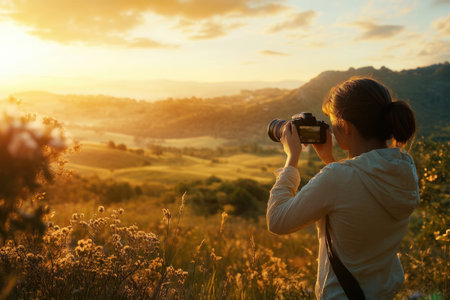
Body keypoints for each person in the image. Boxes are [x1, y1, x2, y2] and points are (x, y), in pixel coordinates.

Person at [266, 77, 420, 299]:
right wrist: (329, 158)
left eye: (332, 122)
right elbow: (358, 191)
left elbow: (278, 220)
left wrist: (291, 159)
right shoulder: (405, 169)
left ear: (346, 126)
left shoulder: (338, 178)